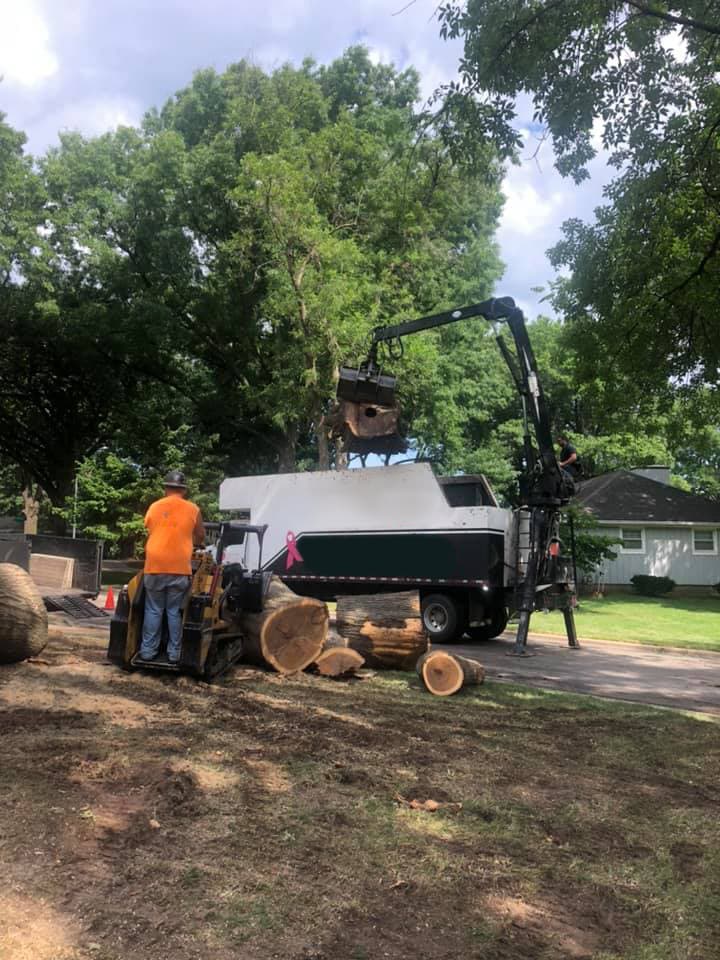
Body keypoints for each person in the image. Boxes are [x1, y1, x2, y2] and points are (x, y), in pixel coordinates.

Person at [138, 470, 205, 663]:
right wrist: (196, 541)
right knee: (173, 611)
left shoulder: (155, 506)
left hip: (154, 567)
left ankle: (148, 652)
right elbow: (200, 535)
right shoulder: (193, 509)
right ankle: (174, 653)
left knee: (153, 610)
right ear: (183, 490)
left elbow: (149, 526)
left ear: (166, 488)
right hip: (179, 570)